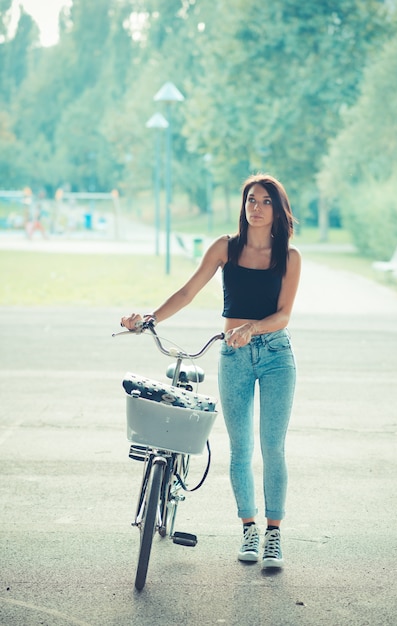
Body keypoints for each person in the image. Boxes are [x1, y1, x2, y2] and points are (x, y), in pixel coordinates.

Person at [121, 173, 301, 568]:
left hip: (275, 355)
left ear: (278, 208)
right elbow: (187, 292)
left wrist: (252, 328)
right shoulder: (226, 248)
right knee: (239, 450)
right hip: (233, 357)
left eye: (265, 201)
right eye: (251, 200)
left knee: (272, 447)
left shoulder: (289, 255)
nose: (256, 207)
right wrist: (148, 318)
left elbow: (284, 314)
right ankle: (249, 531)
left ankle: (273, 534)